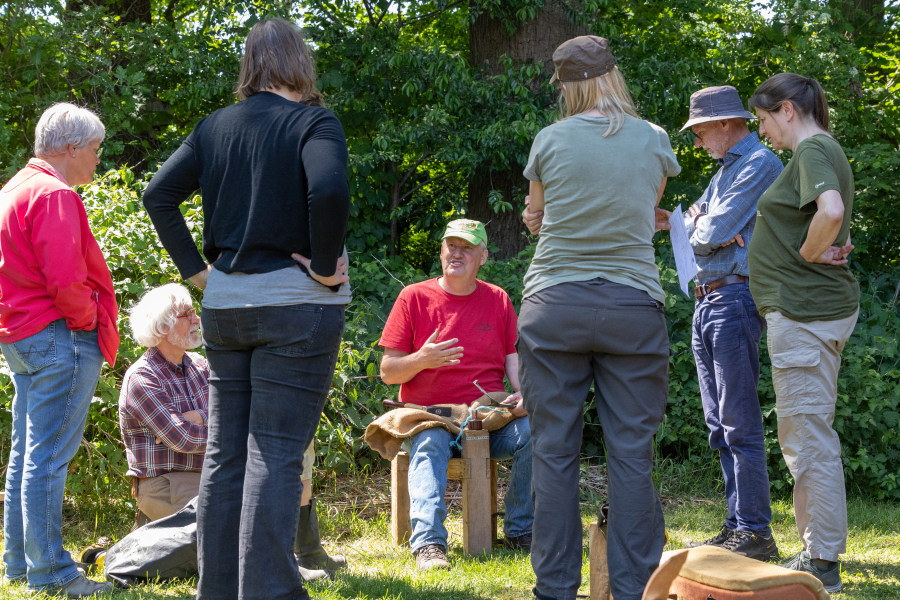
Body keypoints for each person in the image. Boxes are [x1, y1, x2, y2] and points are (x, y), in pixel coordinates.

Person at [142, 18, 350, 600]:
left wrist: (198, 271)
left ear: (250, 66)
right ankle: (270, 593)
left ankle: (220, 592)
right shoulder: (314, 120)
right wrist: (326, 263)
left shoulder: (215, 127)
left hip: (227, 307)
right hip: (295, 307)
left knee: (227, 453)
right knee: (277, 451)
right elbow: (329, 191)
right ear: (299, 63)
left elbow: (157, 194)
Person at [517, 36, 680, 600]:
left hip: (553, 305)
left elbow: (537, 217)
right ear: (613, 76)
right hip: (632, 307)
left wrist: (538, 219)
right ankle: (634, 589)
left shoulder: (550, 139)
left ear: (567, 85)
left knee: (553, 451)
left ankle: (555, 590)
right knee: (631, 455)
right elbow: (646, 208)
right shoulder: (654, 139)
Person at [0, 103, 118, 597]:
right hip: (58, 335)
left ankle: (19, 565)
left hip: (19, 335)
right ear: (71, 148)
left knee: (26, 455)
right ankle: (51, 572)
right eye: (94, 150)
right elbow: (66, 278)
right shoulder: (54, 194)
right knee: (47, 459)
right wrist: (87, 320)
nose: (97, 160)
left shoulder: (13, 188)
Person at [748, 73, 859, 594]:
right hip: (808, 312)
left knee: (808, 438)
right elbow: (830, 218)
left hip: (804, 315)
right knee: (809, 433)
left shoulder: (812, 149)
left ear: (787, 110)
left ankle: (822, 561)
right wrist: (818, 248)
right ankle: (820, 551)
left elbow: (831, 212)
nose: (765, 131)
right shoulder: (823, 150)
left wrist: (811, 253)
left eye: (765, 120)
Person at [379, 219, 533, 572]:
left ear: (483, 256)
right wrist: (423, 359)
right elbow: (388, 372)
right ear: (441, 252)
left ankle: (520, 530)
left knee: (535, 432)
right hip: (427, 416)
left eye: (467, 247)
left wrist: (525, 394)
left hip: (485, 419)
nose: (457, 253)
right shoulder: (413, 297)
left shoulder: (498, 299)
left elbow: (514, 360)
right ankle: (430, 545)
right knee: (430, 441)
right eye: (451, 246)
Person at [677, 86, 784, 560]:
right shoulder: (726, 172)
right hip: (707, 300)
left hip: (734, 297)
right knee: (718, 422)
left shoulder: (759, 163)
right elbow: (689, 226)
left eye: (700, 132)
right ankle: (738, 524)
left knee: (738, 420)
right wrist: (704, 225)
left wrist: (707, 228)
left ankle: (756, 531)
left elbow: (710, 232)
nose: (698, 142)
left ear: (724, 123)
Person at [120, 284, 209, 522]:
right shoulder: (142, 377)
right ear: (162, 327)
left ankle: (147, 539)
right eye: (186, 314)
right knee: (225, 536)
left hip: (210, 475)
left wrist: (199, 416)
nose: (196, 318)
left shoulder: (200, 366)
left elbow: (235, 411)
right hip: (167, 483)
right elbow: (183, 438)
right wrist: (228, 434)